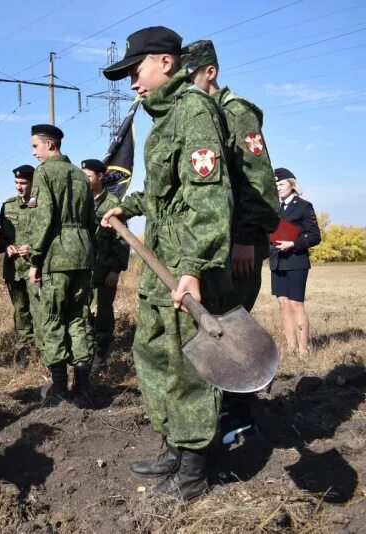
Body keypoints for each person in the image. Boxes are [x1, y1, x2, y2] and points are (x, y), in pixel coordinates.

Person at [101, 26, 233, 500]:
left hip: (183, 269)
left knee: (187, 369)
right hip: (162, 261)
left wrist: (194, 270)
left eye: (135, 72)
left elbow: (210, 198)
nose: (132, 84)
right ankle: (175, 449)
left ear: (166, 63)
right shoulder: (165, 117)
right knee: (156, 358)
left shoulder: (194, 111)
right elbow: (163, 192)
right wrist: (127, 207)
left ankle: (194, 473)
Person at [181, 39, 281, 445]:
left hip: (238, 245)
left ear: (210, 72)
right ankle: (218, 411)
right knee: (213, 324)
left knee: (231, 329)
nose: (186, 87)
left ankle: (240, 419)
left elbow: (258, 183)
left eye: (191, 78)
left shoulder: (236, 114)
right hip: (216, 243)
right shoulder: (201, 113)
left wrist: (244, 239)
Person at [27, 124, 95, 406]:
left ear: (50, 145)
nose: (34, 153)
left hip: (56, 255)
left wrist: (34, 259)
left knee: (52, 318)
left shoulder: (44, 173)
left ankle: (60, 390)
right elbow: (90, 218)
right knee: (79, 317)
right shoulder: (80, 175)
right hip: (82, 253)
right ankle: (83, 387)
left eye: (36, 147)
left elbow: (44, 219)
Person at [80, 159, 129, 374]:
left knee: (105, 311)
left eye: (88, 175)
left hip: (105, 269)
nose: (84, 180)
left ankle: (101, 352)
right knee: (81, 310)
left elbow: (122, 239)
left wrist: (116, 270)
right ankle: (86, 349)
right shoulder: (80, 201)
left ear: (100, 176)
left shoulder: (112, 203)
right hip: (83, 268)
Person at [270, 168, 320, 356]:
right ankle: (291, 347)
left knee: (295, 304)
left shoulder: (304, 206)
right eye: (275, 185)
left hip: (296, 261)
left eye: (281, 184)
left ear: (292, 184)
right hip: (277, 261)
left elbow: (315, 236)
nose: (278, 187)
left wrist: (293, 244)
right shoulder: (274, 207)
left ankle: (303, 349)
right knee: (283, 303)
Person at [0, 164, 39, 367]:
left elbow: (49, 234)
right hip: (14, 269)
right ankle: (25, 348)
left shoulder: (41, 205)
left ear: (32, 183)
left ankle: (42, 347)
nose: (19, 187)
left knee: (39, 309)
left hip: (35, 267)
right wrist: (7, 247)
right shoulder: (8, 205)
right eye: (16, 183)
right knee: (20, 309)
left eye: (23, 183)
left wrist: (33, 247)